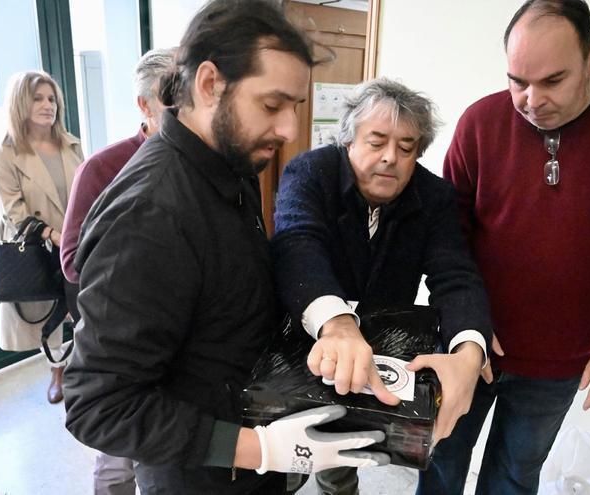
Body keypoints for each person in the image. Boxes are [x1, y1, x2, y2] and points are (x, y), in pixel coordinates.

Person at [62, 1, 390, 493]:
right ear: (210, 83)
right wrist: (261, 449)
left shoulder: (228, 167)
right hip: (202, 477)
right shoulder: (151, 213)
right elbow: (97, 405)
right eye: (272, 105)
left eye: (295, 107)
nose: (290, 131)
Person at [418, 1, 590, 494]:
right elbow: (445, 239)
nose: (530, 100)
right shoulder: (480, 123)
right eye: (516, 80)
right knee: (438, 457)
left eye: (552, 81)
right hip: (467, 343)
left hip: (560, 357)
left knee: (515, 474)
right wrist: (466, 324)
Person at [272, 78, 499, 495]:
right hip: (300, 342)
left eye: (407, 148)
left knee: (345, 456)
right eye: (376, 142)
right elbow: (297, 243)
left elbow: (456, 274)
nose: (390, 158)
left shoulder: (433, 196)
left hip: (375, 359)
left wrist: (469, 350)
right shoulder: (310, 171)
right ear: (348, 140)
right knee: (284, 465)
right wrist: (337, 324)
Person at [59, 47, 174, 495]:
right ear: (145, 107)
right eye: (173, 101)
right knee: (118, 460)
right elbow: (72, 261)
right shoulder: (102, 167)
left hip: (182, 339)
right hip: (123, 337)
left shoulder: (211, 163)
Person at [0, 70, 84, 405]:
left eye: (51, 98)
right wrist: (50, 233)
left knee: (81, 305)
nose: (49, 105)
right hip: (36, 244)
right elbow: (12, 209)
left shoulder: (71, 144)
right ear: (21, 103)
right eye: (38, 98)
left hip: (73, 239)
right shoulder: (7, 154)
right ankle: (57, 371)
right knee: (49, 312)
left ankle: (85, 367)